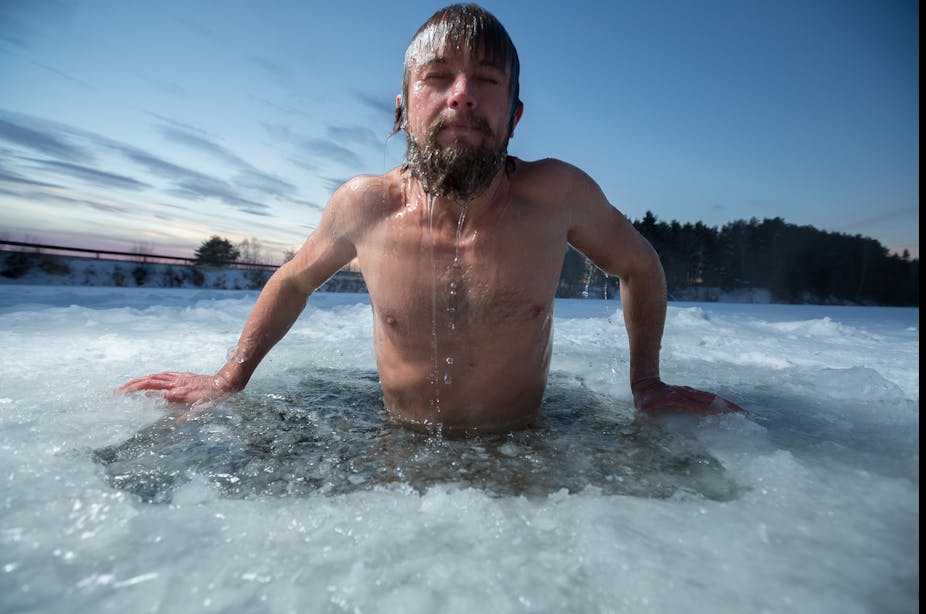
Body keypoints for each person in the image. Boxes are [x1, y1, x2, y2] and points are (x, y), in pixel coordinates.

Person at [121, 3, 744, 435]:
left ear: (515, 115)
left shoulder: (558, 196)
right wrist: (230, 377)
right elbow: (292, 281)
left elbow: (639, 264)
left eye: (486, 80)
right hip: (400, 445)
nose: (462, 93)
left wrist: (647, 383)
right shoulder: (365, 206)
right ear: (403, 109)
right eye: (438, 77)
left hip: (526, 446)